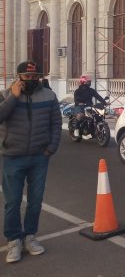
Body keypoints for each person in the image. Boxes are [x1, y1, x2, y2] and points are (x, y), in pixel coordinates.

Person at [0, 61, 61, 263]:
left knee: (35, 201)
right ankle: (14, 240)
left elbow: (56, 123)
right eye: (27, 77)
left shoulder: (49, 95)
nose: (32, 80)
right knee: (13, 202)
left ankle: (30, 237)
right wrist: (14, 97)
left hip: (39, 157)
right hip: (12, 156)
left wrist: (50, 149)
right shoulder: (5, 95)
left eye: (35, 77)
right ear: (18, 77)